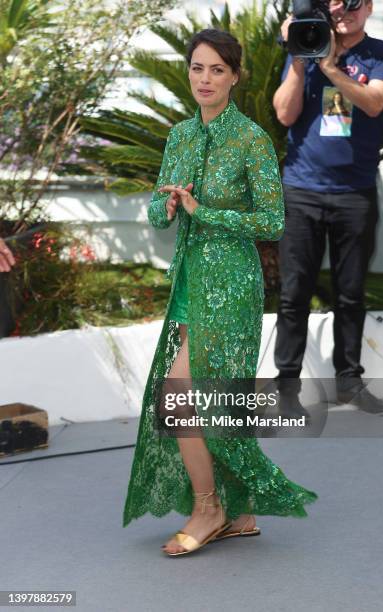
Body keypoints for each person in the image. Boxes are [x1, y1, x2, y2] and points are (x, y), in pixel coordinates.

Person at [123, 28, 318, 556]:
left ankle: (208, 508)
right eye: (196, 68)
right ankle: (241, 512)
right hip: (189, 282)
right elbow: (158, 212)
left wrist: (201, 211)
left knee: (180, 395)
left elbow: (273, 221)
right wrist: (162, 208)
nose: (204, 79)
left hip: (232, 285)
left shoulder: (251, 139)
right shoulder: (180, 136)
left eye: (216, 70)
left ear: (234, 76)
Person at [273, 0, 383, 415]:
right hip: (301, 191)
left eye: (354, 2)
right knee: (294, 294)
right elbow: (284, 113)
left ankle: (349, 380)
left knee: (351, 294)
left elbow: (373, 102)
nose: (343, 9)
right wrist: (299, 56)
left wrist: (331, 69)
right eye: (335, 1)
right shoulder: (307, 45)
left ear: (368, 8)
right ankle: (287, 388)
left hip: (354, 192)